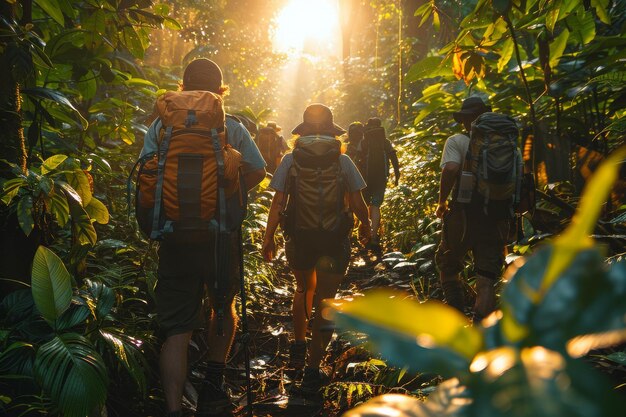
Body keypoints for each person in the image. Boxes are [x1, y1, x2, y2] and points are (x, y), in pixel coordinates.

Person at [139, 58, 266, 417]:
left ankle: (173, 409)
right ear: (220, 90)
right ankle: (213, 385)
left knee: (177, 329)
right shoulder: (231, 125)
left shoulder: (161, 126)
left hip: (174, 235)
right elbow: (258, 168)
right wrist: (228, 193)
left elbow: (147, 172)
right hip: (220, 236)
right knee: (222, 304)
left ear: (182, 87)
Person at [261, 104, 371, 395]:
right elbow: (359, 204)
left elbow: (278, 203)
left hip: (300, 238)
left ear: (303, 132)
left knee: (302, 289)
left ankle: (298, 344)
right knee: (326, 301)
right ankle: (312, 367)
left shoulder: (290, 160)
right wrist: (366, 227)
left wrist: (268, 237)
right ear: (333, 133)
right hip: (334, 241)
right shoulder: (343, 161)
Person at [434, 96, 511, 321]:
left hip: (464, 215)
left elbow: (450, 169)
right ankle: (479, 333)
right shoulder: (506, 143)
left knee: (449, 267)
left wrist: (442, 201)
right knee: (486, 278)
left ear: (465, 120)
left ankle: (458, 321)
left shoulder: (457, 141)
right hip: (497, 216)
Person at [360, 117, 400, 251]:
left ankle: (365, 234)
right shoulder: (385, 142)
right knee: (376, 205)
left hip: (365, 179)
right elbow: (394, 158)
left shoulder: (364, 142)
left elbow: (358, 160)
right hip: (381, 178)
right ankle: (374, 236)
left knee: (365, 206)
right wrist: (397, 175)